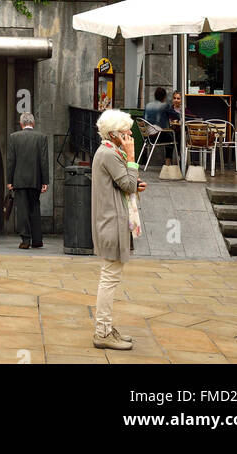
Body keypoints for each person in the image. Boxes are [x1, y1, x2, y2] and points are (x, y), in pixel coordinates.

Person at [91, 108, 147, 350]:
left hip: (111, 220)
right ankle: (102, 332)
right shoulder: (110, 154)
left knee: (109, 277)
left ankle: (105, 328)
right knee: (109, 278)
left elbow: (128, 184)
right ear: (114, 134)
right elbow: (127, 182)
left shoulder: (109, 152)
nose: (129, 135)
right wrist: (132, 155)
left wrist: (134, 183)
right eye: (126, 132)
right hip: (112, 222)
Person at [6, 111, 49, 249]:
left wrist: (9, 180)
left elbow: (11, 160)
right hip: (36, 179)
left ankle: (25, 240)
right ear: (33, 123)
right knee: (35, 207)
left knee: (23, 209)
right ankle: (37, 240)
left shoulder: (14, 137)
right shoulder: (41, 137)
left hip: (19, 180)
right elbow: (44, 161)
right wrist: (45, 181)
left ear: (21, 123)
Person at [143, 86, 176, 162]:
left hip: (147, 136)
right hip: (157, 136)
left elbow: (144, 119)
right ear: (164, 97)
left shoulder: (147, 105)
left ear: (155, 96)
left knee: (169, 134)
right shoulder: (165, 106)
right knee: (171, 137)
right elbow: (176, 115)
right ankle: (168, 162)